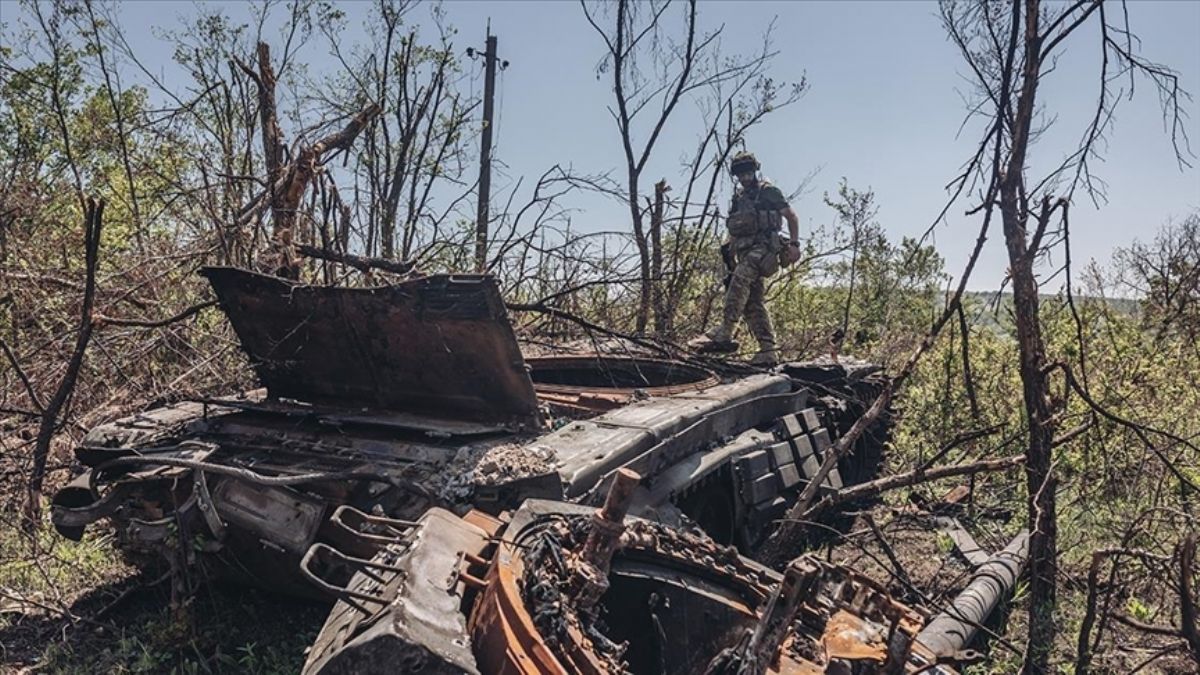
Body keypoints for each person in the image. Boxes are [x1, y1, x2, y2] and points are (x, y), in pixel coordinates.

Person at [690, 151, 801, 366]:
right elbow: (734, 230)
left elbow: (791, 216)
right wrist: (729, 253)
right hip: (743, 251)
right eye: (740, 173)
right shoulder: (739, 198)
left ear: (755, 170)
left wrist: (795, 245)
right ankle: (767, 349)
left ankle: (726, 329)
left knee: (740, 281)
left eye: (748, 171)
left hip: (764, 250)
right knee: (752, 302)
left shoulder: (768, 192)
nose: (745, 176)